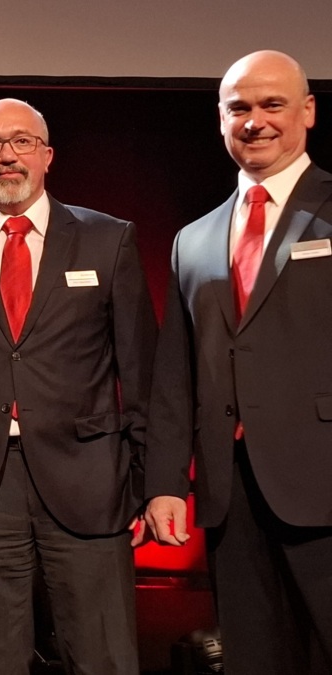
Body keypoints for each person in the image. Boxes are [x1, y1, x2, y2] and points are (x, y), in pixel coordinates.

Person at [0, 98, 156, 675]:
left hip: (91, 482)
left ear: (48, 156)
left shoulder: (108, 239)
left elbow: (142, 372)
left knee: (103, 659)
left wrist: (149, 481)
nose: (7, 156)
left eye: (21, 141)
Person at [145, 50, 332, 673]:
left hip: (325, 481)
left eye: (272, 104)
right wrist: (166, 484)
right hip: (232, 494)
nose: (255, 121)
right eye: (239, 108)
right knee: (254, 657)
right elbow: (175, 377)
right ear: (221, 119)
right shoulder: (193, 239)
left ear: (308, 110)